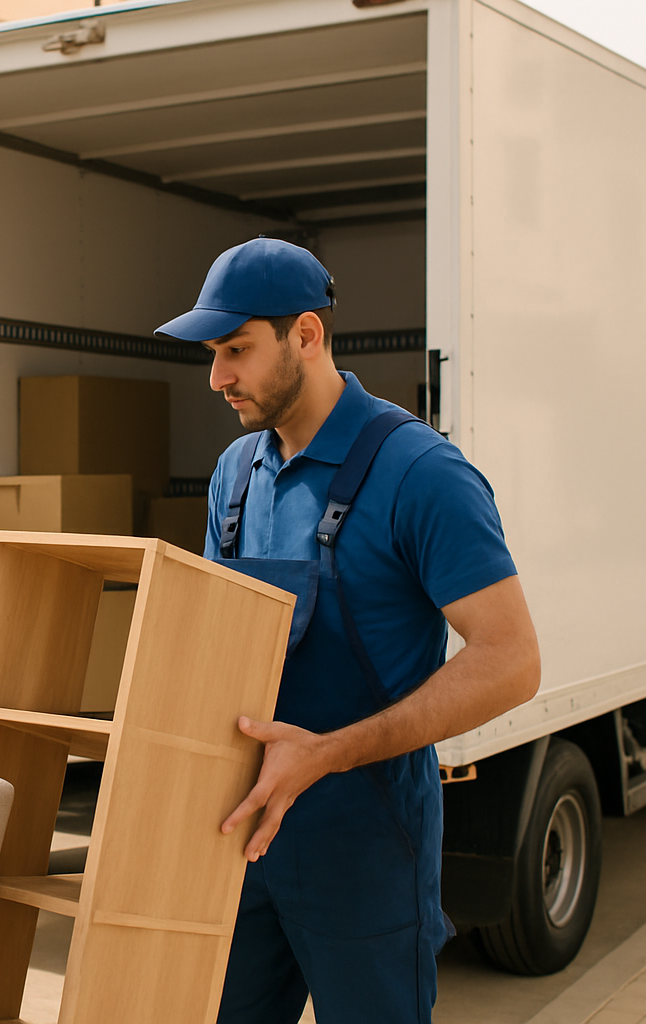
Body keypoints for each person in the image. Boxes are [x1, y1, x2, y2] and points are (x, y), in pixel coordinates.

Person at [154, 239, 541, 1023]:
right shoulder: (235, 472)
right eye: (212, 354)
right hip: (242, 841)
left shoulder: (422, 473)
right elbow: (213, 645)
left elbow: (512, 661)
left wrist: (328, 752)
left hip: (365, 843)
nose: (218, 377)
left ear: (306, 335)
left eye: (237, 350)